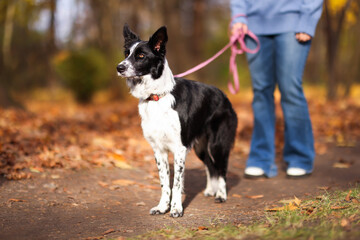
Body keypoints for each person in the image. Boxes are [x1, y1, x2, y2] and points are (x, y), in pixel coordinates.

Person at [230, 0, 324, 178]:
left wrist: (307, 18)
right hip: (253, 24)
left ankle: (300, 157)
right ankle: (260, 158)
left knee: (290, 88)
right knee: (261, 91)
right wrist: (239, 15)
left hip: (293, 21)